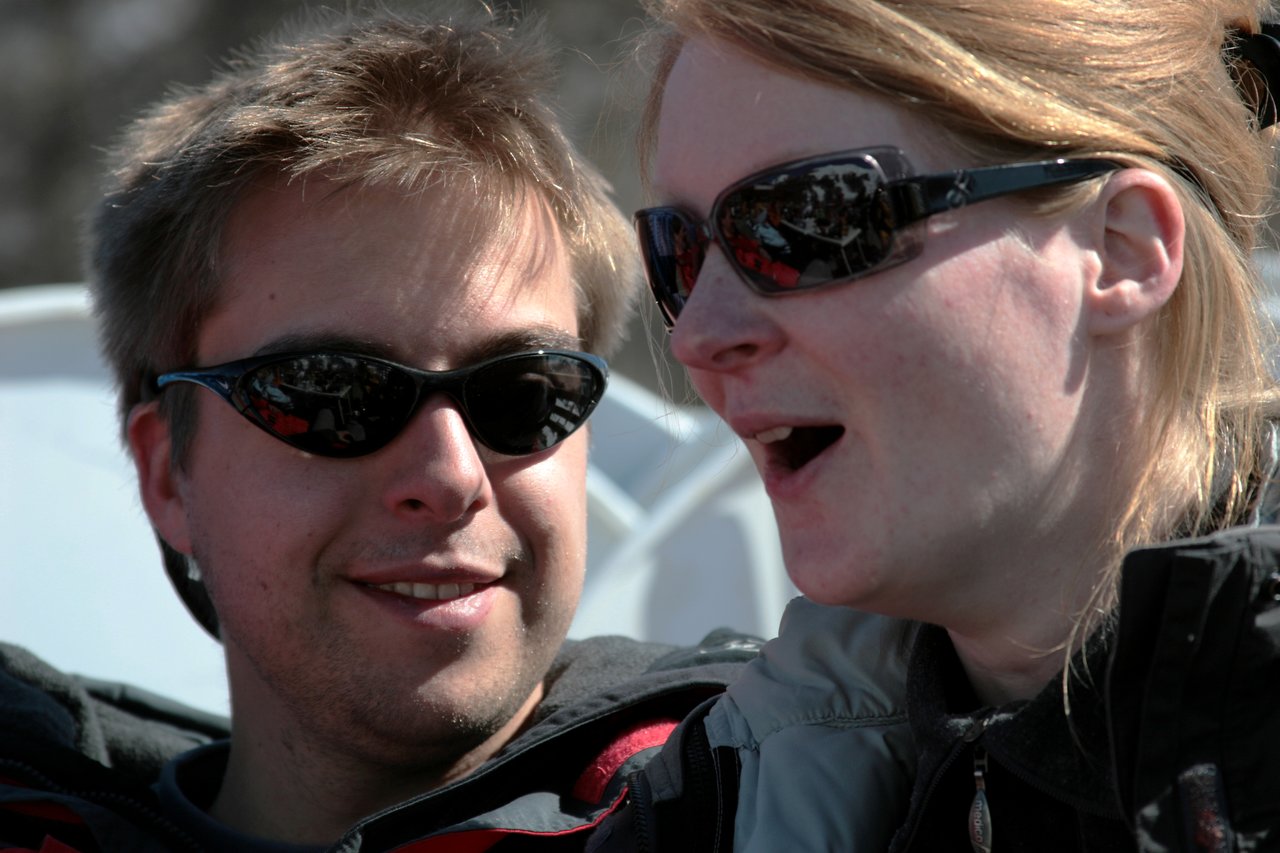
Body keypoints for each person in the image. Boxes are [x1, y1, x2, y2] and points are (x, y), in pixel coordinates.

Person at [0, 7, 761, 851]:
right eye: (332, 393)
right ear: (166, 475)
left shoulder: (793, 793)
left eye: (523, 391)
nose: (449, 477)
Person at [594, 0, 1280, 849]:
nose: (696, 335)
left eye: (810, 221)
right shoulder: (712, 800)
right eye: (681, 252)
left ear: (1123, 249)